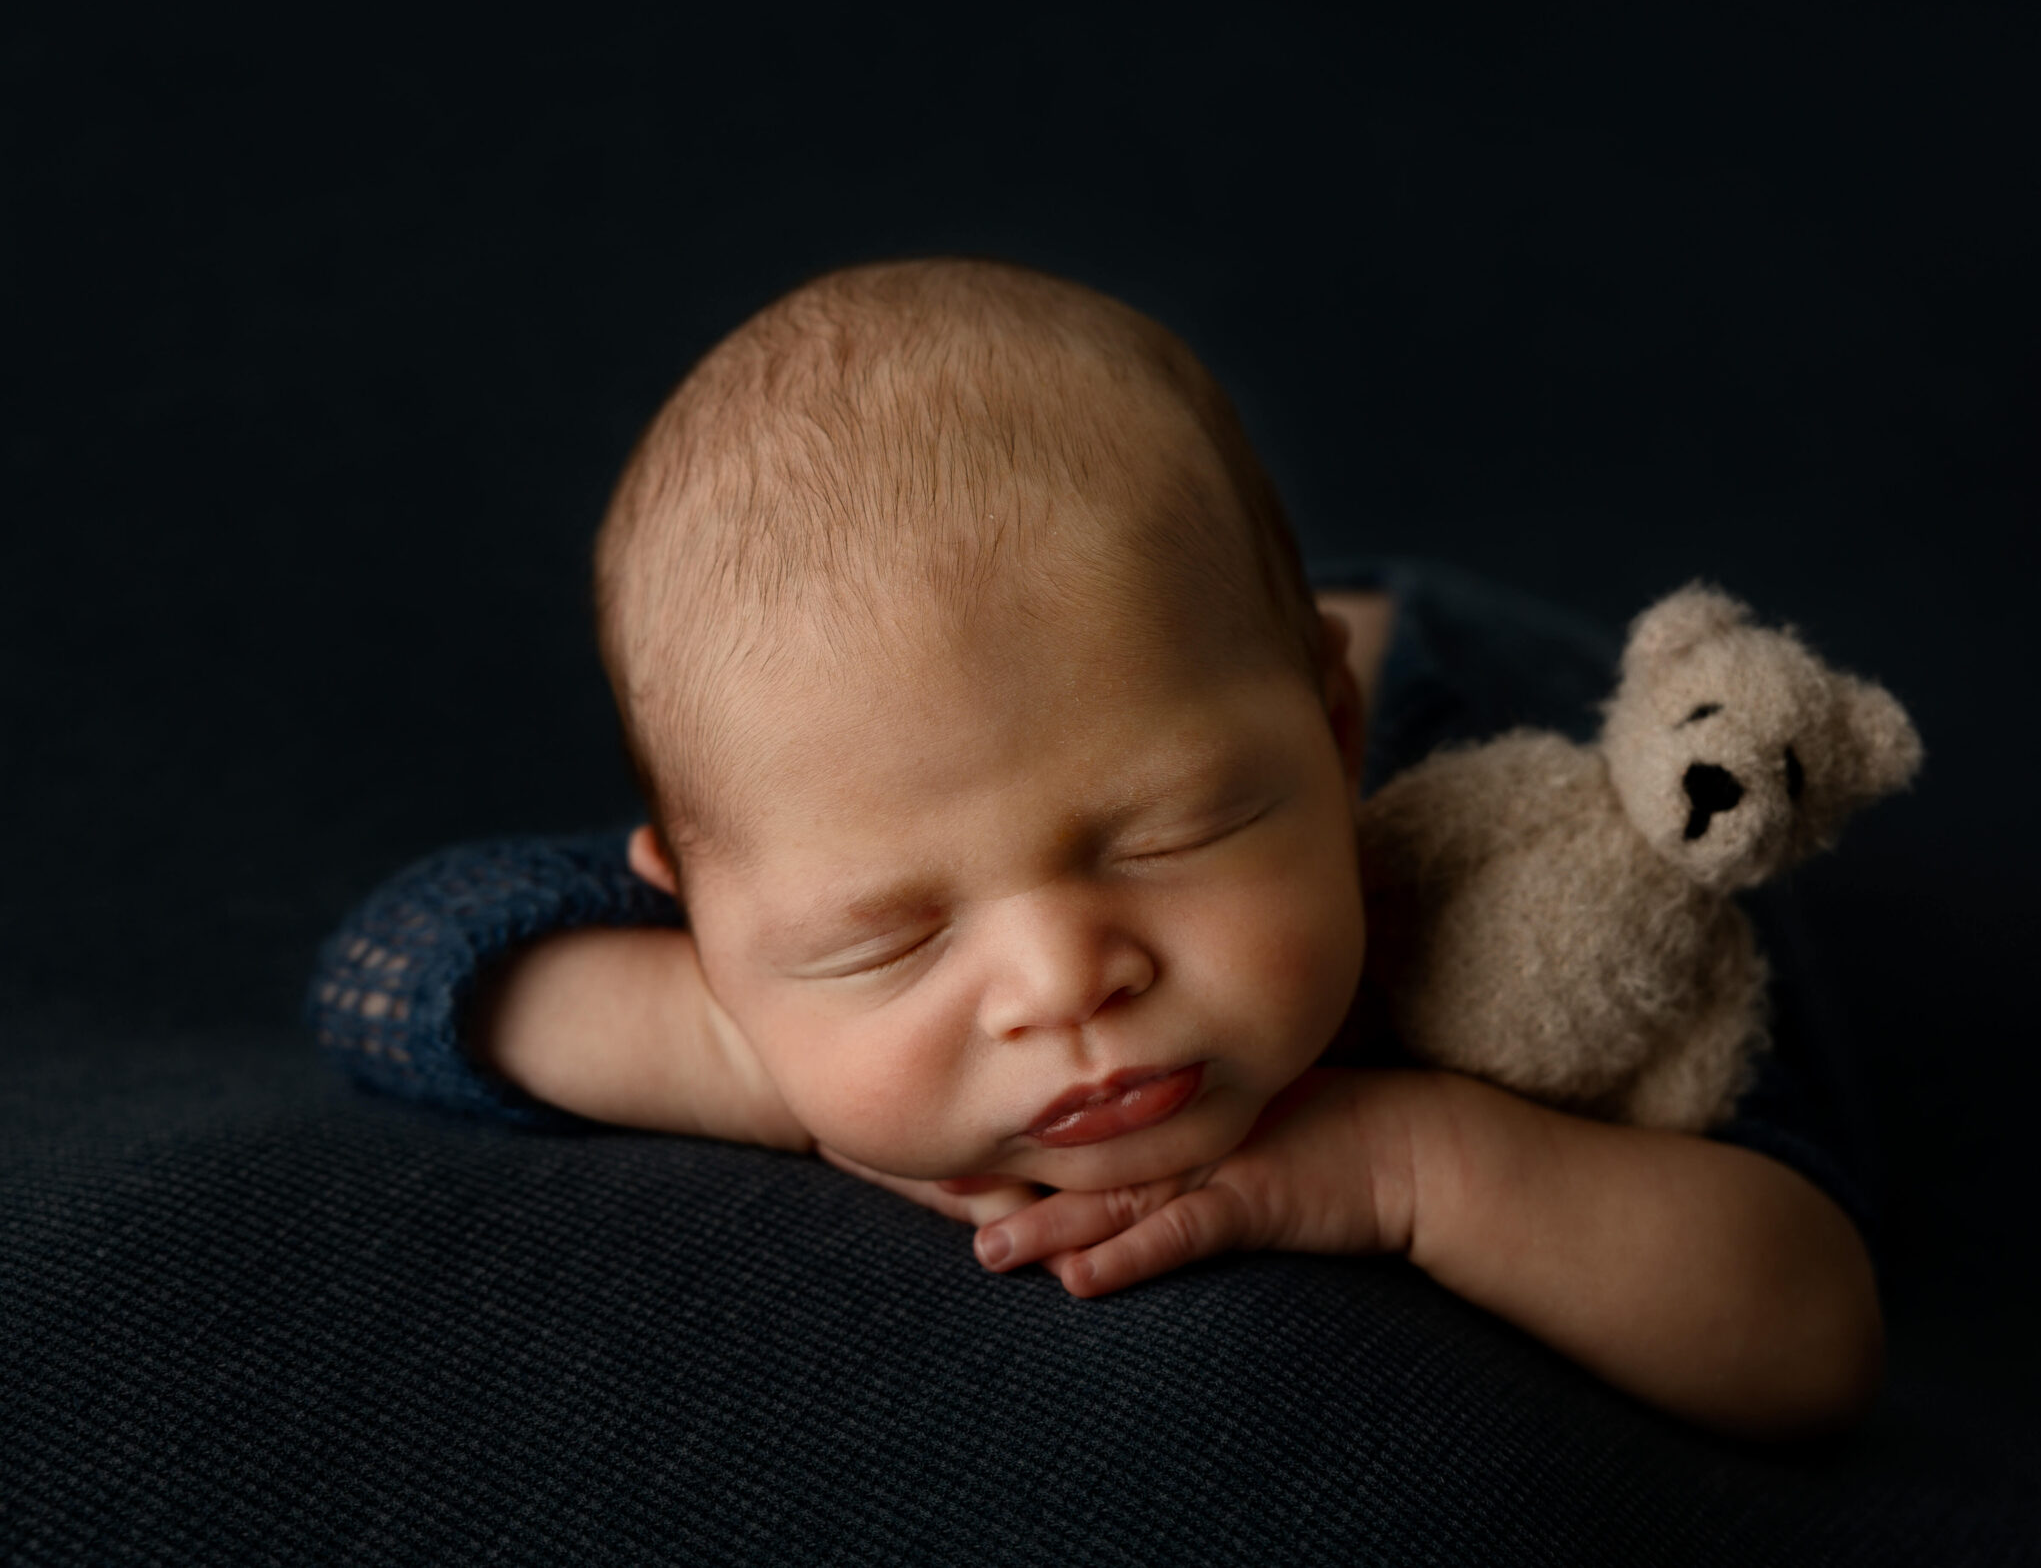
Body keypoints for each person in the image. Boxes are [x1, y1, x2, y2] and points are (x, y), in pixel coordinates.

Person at [308, 257, 1882, 1438]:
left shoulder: (1559, 865)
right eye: (887, 941)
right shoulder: (853, 795)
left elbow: (1814, 1329)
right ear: (708, 911)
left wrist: (1414, 1165)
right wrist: (758, 1059)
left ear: (1331, 747)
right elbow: (400, 959)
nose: (1061, 980)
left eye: (1170, 837)